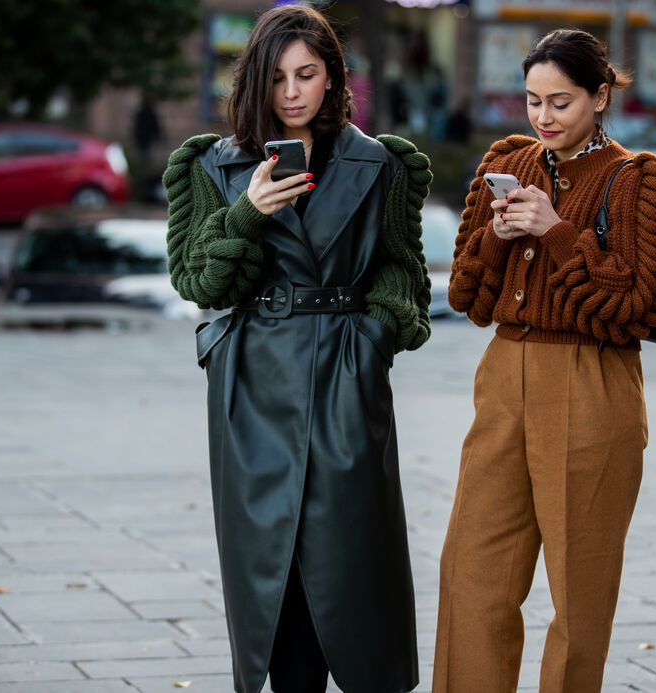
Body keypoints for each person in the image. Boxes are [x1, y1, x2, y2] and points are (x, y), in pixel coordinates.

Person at [162, 6, 432, 693]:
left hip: (347, 374)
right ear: (255, 80)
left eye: (308, 74)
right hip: (254, 385)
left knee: (350, 567)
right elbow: (200, 281)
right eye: (278, 76)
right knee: (270, 578)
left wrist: (375, 336)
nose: (292, 92)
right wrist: (248, 212)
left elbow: (402, 271)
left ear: (334, 77)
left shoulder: (380, 165)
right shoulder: (213, 166)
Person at [433, 28, 656, 693]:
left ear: (600, 96)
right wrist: (496, 233)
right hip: (504, 374)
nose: (543, 118)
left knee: (580, 587)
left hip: (591, 379)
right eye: (533, 100)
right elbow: (467, 295)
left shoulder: (640, 178)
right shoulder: (508, 159)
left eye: (561, 102)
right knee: (471, 570)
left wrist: (557, 231)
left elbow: (632, 301)